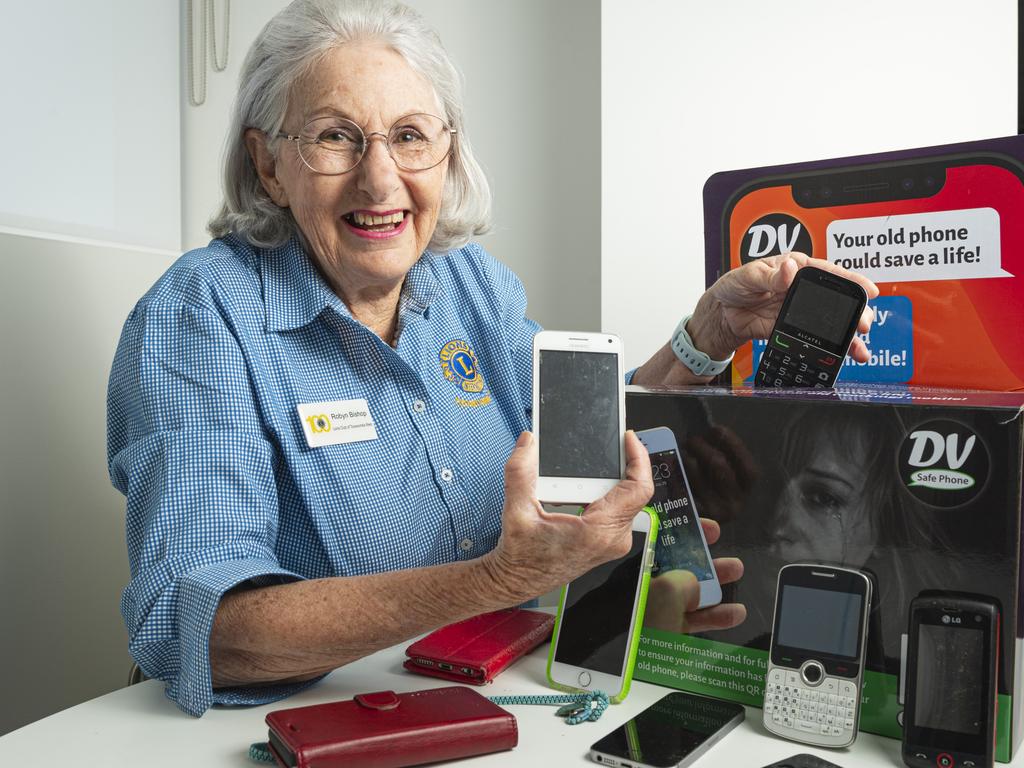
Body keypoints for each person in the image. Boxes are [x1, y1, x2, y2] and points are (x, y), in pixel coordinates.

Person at [106, 0, 877, 716]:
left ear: (446, 154)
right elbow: (198, 627)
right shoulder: (198, 318)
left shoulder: (469, 280)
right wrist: (501, 579)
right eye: (335, 136)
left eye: (410, 136)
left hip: (486, 694)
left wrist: (707, 334)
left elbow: (579, 449)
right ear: (269, 163)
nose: (382, 178)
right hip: (307, 724)